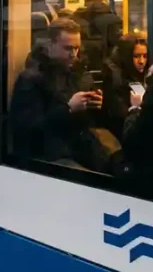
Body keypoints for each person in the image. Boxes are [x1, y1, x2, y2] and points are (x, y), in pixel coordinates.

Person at [10, 18, 121, 173]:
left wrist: (96, 105)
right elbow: (28, 128)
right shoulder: (31, 79)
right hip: (50, 155)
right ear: (50, 45)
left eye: (76, 48)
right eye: (68, 48)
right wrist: (68, 109)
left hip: (80, 147)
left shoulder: (78, 73)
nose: (73, 54)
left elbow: (89, 121)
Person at [72, 0, 123, 72]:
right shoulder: (113, 20)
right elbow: (117, 52)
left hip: (80, 72)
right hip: (105, 73)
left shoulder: (74, 20)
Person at [104, 33, 148, 135]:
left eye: (145, 56)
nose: (142, 61)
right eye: (136, 56)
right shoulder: (114, 78)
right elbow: (120, 116)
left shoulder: (147, 75)